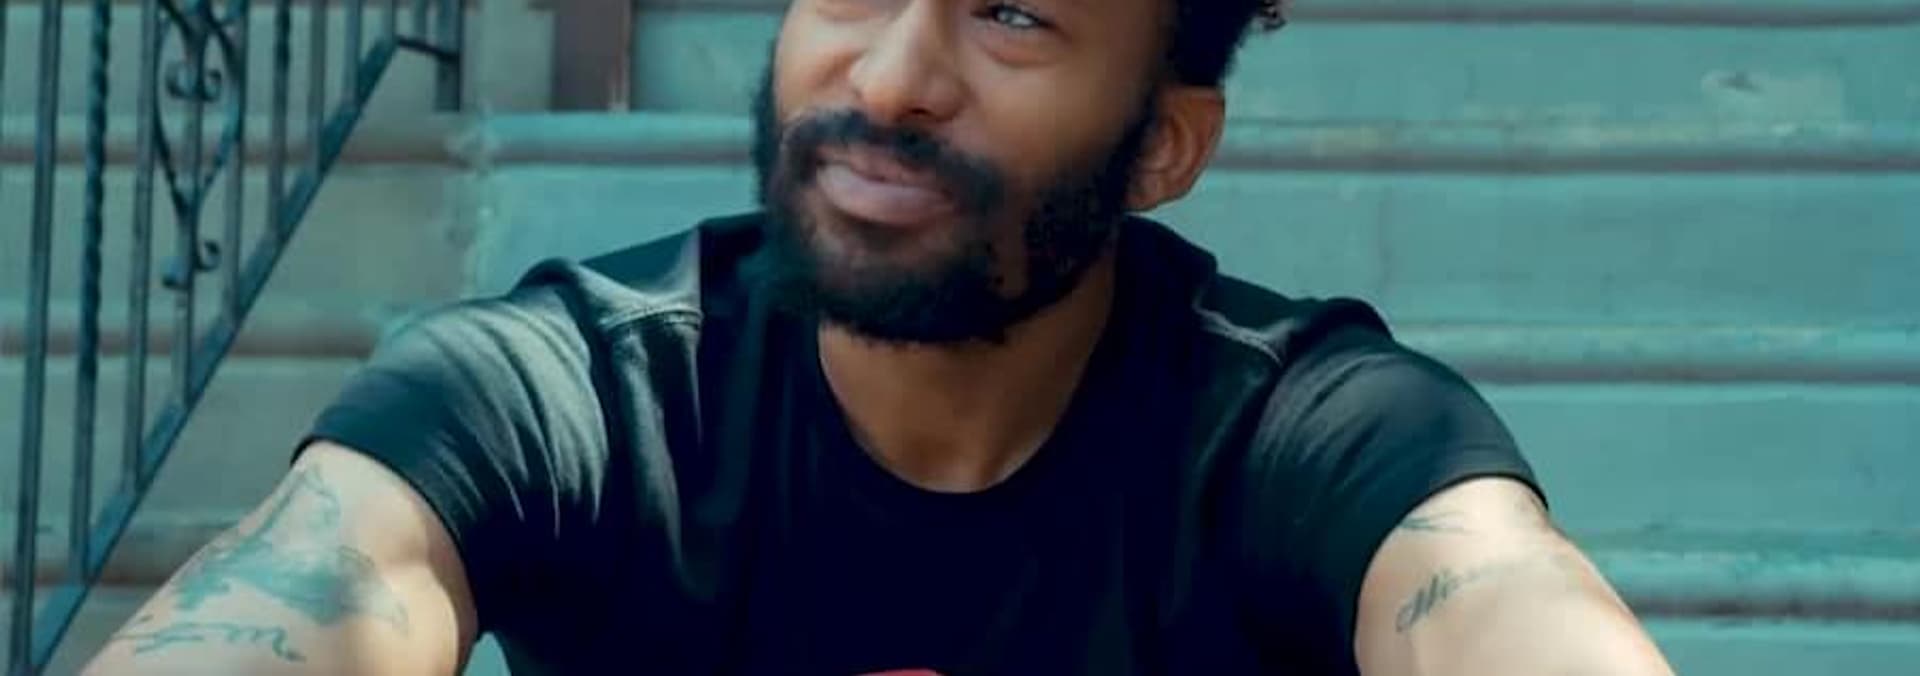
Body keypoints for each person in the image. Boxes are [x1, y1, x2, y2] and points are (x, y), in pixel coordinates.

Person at [84, 0, 1677, 674]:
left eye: (1014, 14)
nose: (894, 78)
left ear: (1162, 144)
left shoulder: (1305, 434)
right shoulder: (565, 396)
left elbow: (1498, 604)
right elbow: (328, 577)